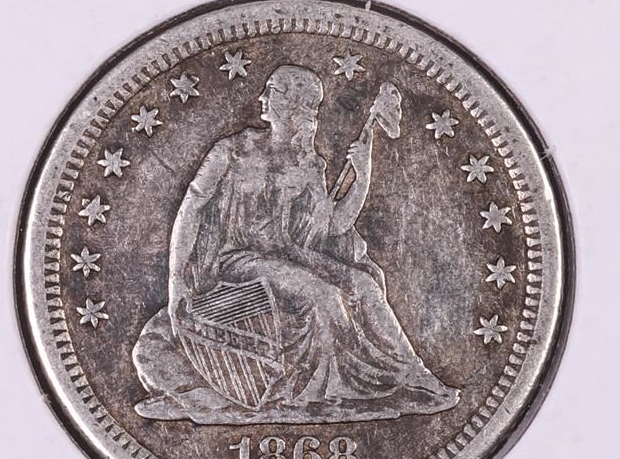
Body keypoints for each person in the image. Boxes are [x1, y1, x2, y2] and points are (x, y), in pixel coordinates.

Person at [132, 64, 459, 424]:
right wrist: (177, 283)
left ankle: (413, 374)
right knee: (322, 294)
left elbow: (334, 226)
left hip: (291, 255)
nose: (262, 98)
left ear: (294, 105)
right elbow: (190, 210)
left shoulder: (310, 163)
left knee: (364, 284)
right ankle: (325, 393)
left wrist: (363, 175)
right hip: (238, 260)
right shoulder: (232, 151)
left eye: (271, 90)